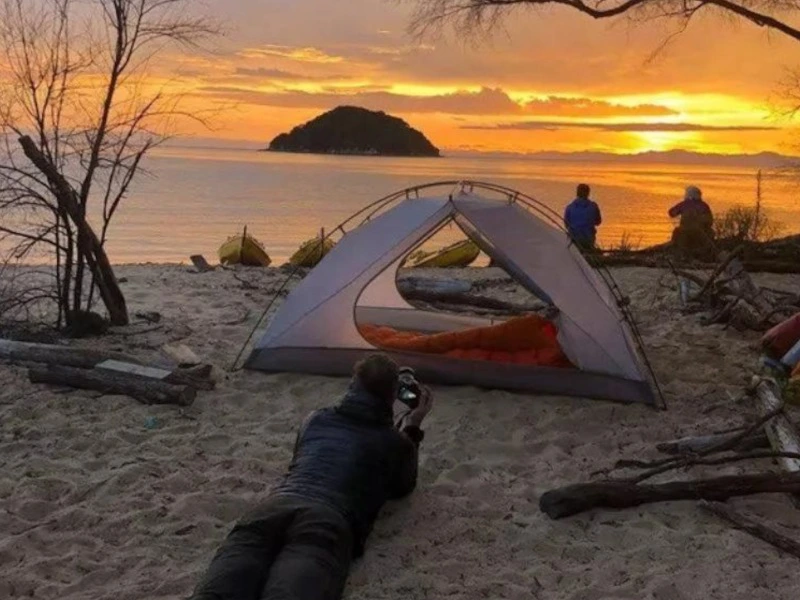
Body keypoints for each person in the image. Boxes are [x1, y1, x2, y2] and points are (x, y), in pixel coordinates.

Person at [189, 353, 434, 600]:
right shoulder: (393, 442)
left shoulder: (315, 419)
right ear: (393, 395)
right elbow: (403, 486)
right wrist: (412, 426)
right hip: (326, 520)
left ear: (353, 384)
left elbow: (300, 458)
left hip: (272, 507)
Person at [668, 185, 715, 259]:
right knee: (711, 233)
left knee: (676, 232)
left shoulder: (684, 204)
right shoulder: (704, 205)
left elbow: (671, 213)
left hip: (685, 231)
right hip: (700, 232)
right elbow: (710, 221)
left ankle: (679, 252)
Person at [564, 183, 602, 251]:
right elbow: (598, 222)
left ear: (577, 193)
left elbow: (566, 225)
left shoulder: (569, 207)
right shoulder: (593, 206)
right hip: (588, 240)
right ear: (588, 193)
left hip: (574, 240)